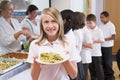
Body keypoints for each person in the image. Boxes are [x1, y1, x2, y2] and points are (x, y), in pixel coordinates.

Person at [27, 7, 78, 80]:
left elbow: (73, 75)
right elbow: (34, 78)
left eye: (54, 21)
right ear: (42, 24)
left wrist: (65, 59)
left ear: (59, 23)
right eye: (46, 22)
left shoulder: (68, 42)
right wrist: (36, 61)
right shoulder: (35, 44)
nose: (50, 26)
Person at [61, 10, 85, 80]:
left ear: (64, 21)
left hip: (74, 63)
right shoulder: (70, 32)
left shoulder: (71, 35)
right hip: (74, 62)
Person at [74, 12, 93, 80]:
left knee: (84, 76)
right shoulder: (78, 30)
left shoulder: (85, 30)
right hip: (80, 56)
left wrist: (79, 44)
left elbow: (91, 45)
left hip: (84, 56)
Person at [87, 14, 105, 80]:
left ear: (94, 22)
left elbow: (102, 40)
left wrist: (94, 41)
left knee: (99, 70)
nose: (89, 24)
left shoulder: (99, 30)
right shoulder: (87, 29)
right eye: (88, 23)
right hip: (89, 53)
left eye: (90, 23)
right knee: (91, 70)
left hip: (97, 53)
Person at [99, 11, 116, 80]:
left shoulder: (111, 25)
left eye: (102, 17)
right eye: (100, 17)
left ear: (107, 17)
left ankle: (110, 76)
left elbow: (114, 37)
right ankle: (104, 76)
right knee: (102, 62)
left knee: (108, 62)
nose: (101, 19)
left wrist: (104, 39)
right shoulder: (100, 25)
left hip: (108, 46)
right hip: (101, 46)